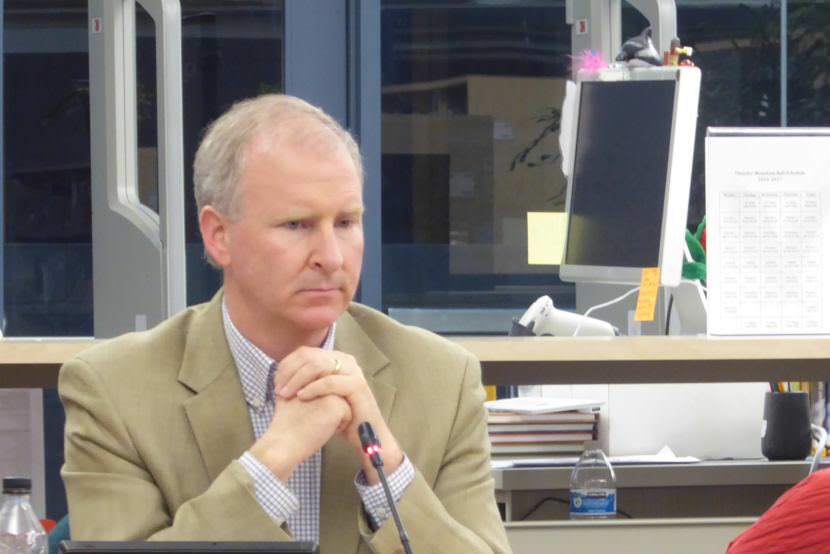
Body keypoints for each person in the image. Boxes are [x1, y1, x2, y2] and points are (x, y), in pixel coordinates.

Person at [59, 94, 511, 553]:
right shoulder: (113, 391)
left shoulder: (444, 381)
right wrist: (271, 460)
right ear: (219, 236)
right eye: (297, 225)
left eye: (346, 222)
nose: (331, 258)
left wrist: (387, 468)